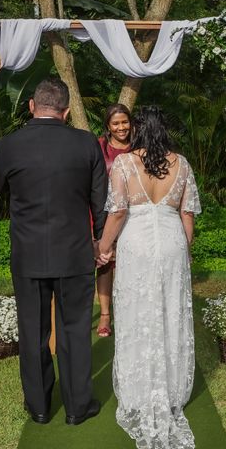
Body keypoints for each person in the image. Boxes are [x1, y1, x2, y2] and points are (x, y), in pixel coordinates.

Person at [0, 78, 108, 426]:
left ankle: (39, 406)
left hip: (28, 254)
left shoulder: (9, 144)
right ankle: (77, 406)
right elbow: (101, 202)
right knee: (74, 330)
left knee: (32, 331)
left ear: (31, 106)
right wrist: (101, 242)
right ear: (66, 111)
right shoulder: (86, 143)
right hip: (74, 253)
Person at [97, 106, 201, 448]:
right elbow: (187, 215)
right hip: (172, 242)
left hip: (138, 243)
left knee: (139, 311)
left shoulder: (126, 164)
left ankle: (141, 389)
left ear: (139, 131)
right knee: (171, 311)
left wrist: (104, 246)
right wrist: (184, 251)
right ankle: (170, 387)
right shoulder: (182, 164)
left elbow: (119, 211)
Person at [96, 103, 132, 337]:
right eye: (116, 123)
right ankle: (105, 315)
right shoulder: (99, 146)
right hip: (104, 212)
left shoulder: (139, 147)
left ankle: (129, 314)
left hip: (132, 214)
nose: (121, 127)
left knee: (130, 265)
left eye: (125, 122)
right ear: (108, 126)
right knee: (105, 263)